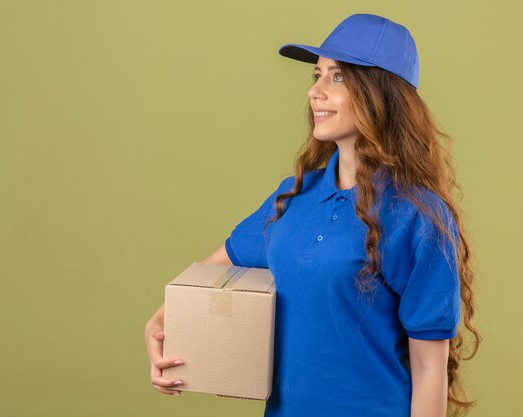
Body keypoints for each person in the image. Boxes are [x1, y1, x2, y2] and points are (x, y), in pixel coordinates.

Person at [145, 13, 482, 417]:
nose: (315, 92)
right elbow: (209, 279)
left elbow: (429, 368)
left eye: (337, 77)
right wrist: (162, 323)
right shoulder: (294, 197)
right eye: (316, 75)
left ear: (382, 95)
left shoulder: (419, 216)